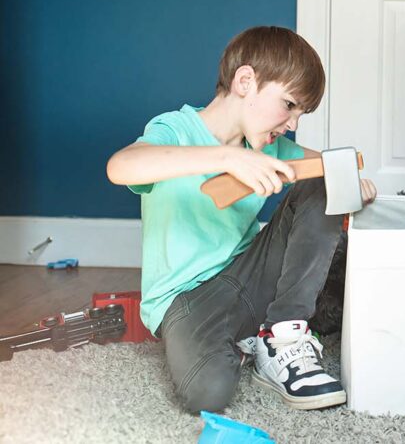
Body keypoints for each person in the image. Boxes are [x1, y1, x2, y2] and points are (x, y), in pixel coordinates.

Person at [107, 26, 377, 413]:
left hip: (251, 276)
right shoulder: (175, 130)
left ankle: (282, 335)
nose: (293, 123)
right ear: (245, 81)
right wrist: (227, 157)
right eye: (289, 105)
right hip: (186, 299)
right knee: (209, 392)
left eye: (301, 113)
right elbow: (120, 166)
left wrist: (350, 181)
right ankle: (245, 342)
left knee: (323, 178)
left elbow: (330, 166)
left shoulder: (273, 147)